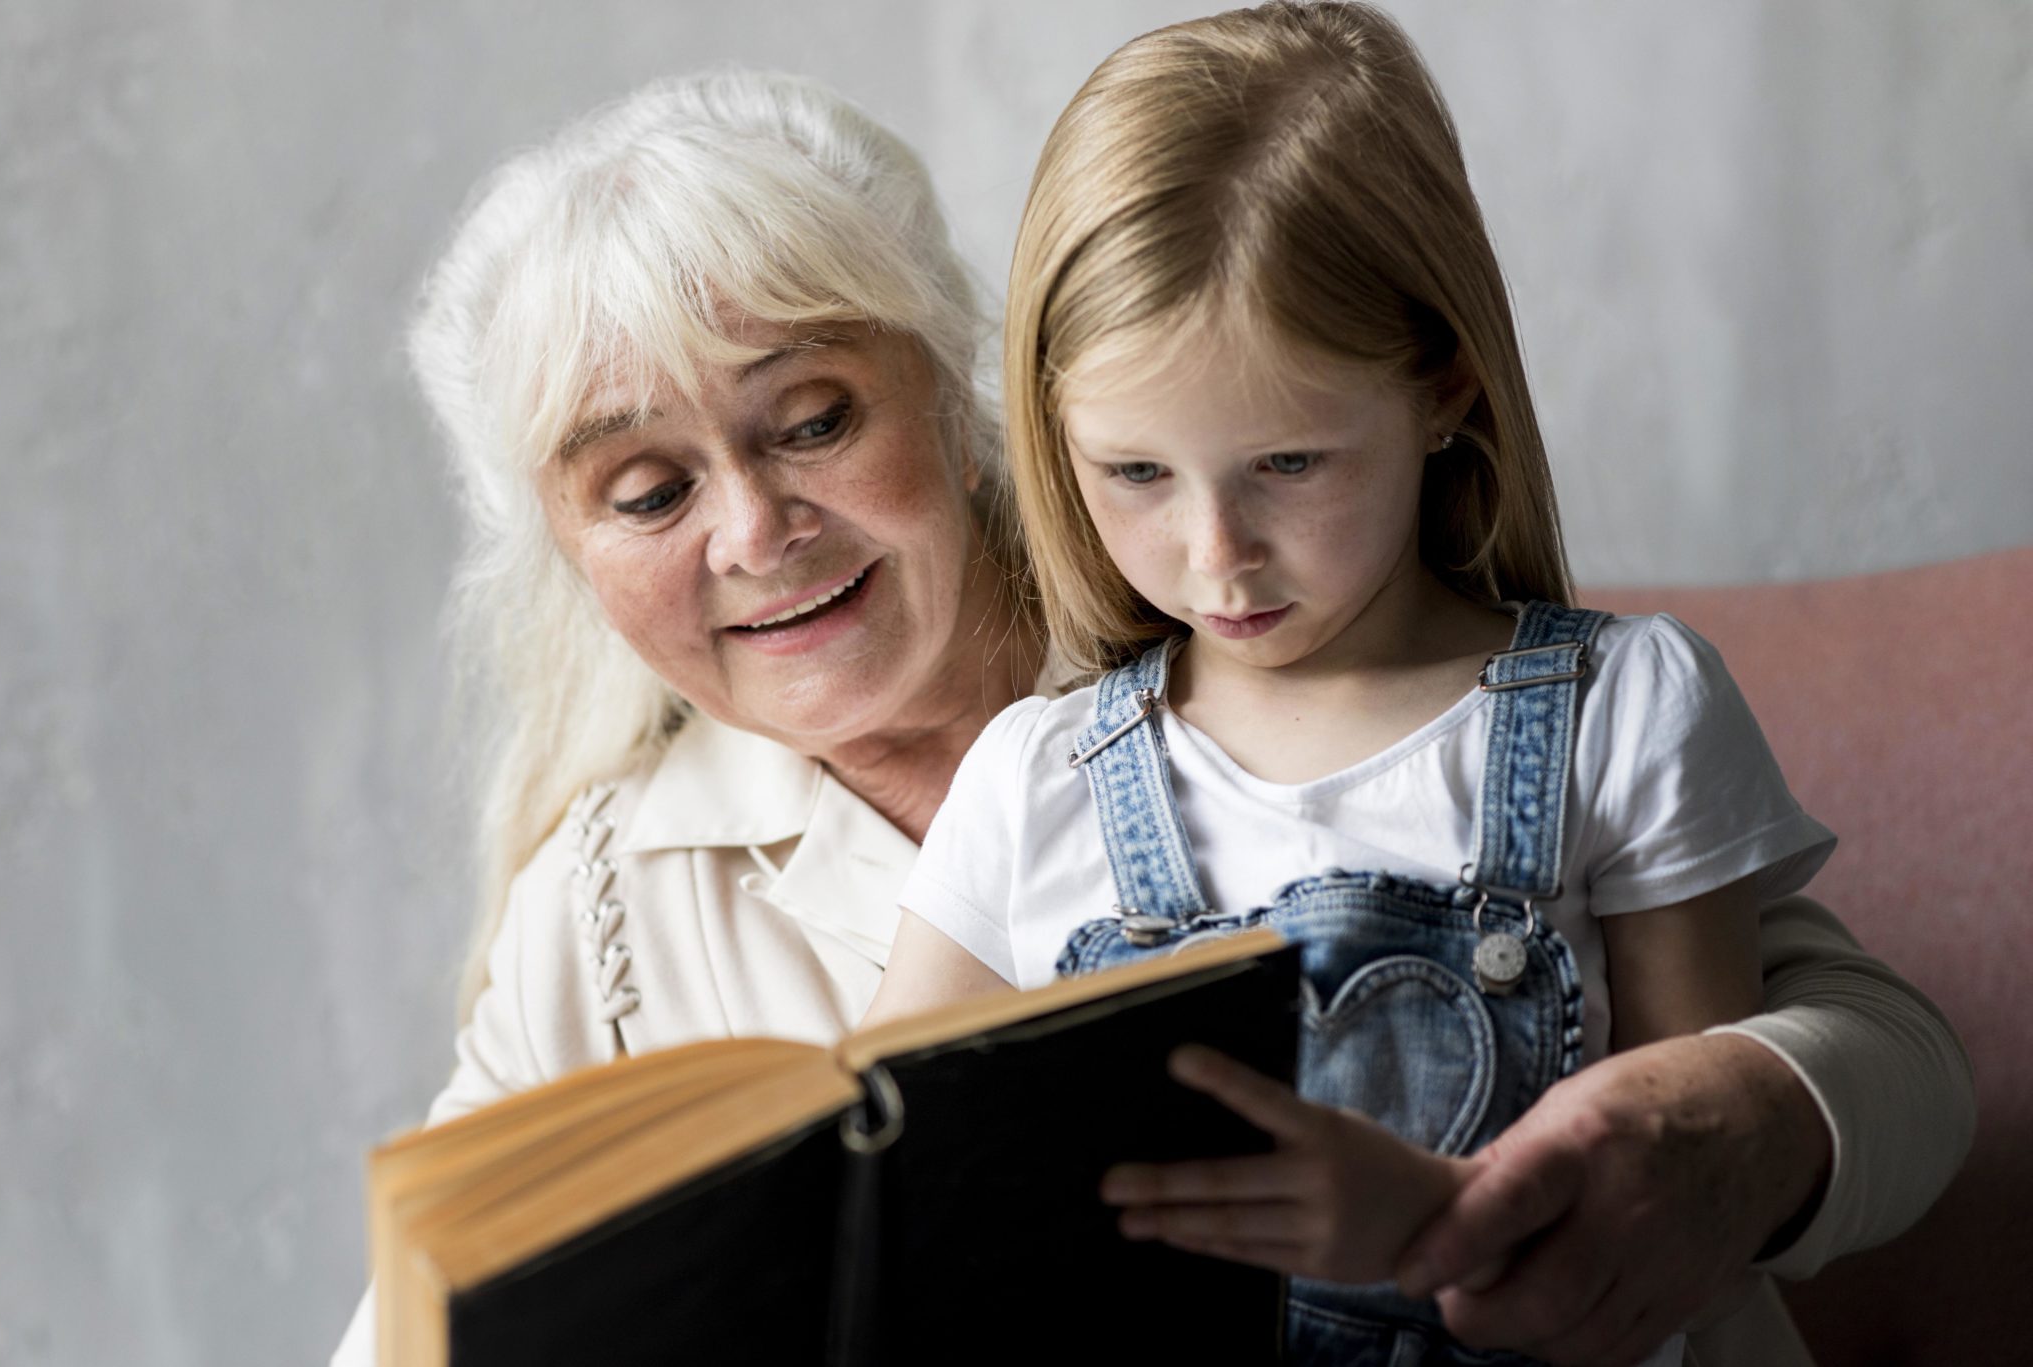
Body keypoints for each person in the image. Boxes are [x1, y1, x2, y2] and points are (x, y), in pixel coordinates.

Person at [331, 65, 1972, 1367]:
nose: (757, 533)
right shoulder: (609, 906)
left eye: (816, 421)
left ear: (963, 394)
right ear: (567, 553)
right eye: (647, 490)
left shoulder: (1267, 648)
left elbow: (1881, 1048)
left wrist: (1738, 1122)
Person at [862, 5, 1965, 1364]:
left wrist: (1423, 1226)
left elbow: (1672, 1234)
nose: (1216, 557)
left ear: (1442, 384)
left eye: (1291, 463)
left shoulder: (1623, 717)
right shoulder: (1034, 780)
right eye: (1136, 474)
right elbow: (890, 1193)